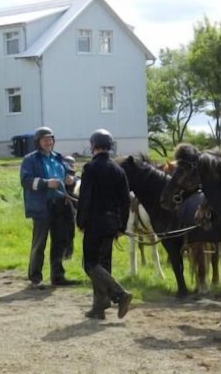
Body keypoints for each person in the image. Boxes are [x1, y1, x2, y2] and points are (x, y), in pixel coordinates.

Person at [76, 128, 133, 319]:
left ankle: (119, 294)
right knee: (104, 265)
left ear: (93, 146)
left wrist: (81, 221)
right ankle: (99, 307)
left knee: (90, 264)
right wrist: (122, 227)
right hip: (112, 224)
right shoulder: (118, 170)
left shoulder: (90, 169)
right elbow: (126, 201)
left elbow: (86, 197)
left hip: (94, 222)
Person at [20, 126, 80, 289]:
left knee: (59, 241)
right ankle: (35, 278)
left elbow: (72, 175)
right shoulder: (30, 160)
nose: (48, 142)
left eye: (50, 139)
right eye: (45, 139)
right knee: (39, 242)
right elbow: (26, 181)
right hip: (42, 206)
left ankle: (57, 276)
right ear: (38, 142)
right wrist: (47, 183)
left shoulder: (59, 158)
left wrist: (70, 180)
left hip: (60, 204)